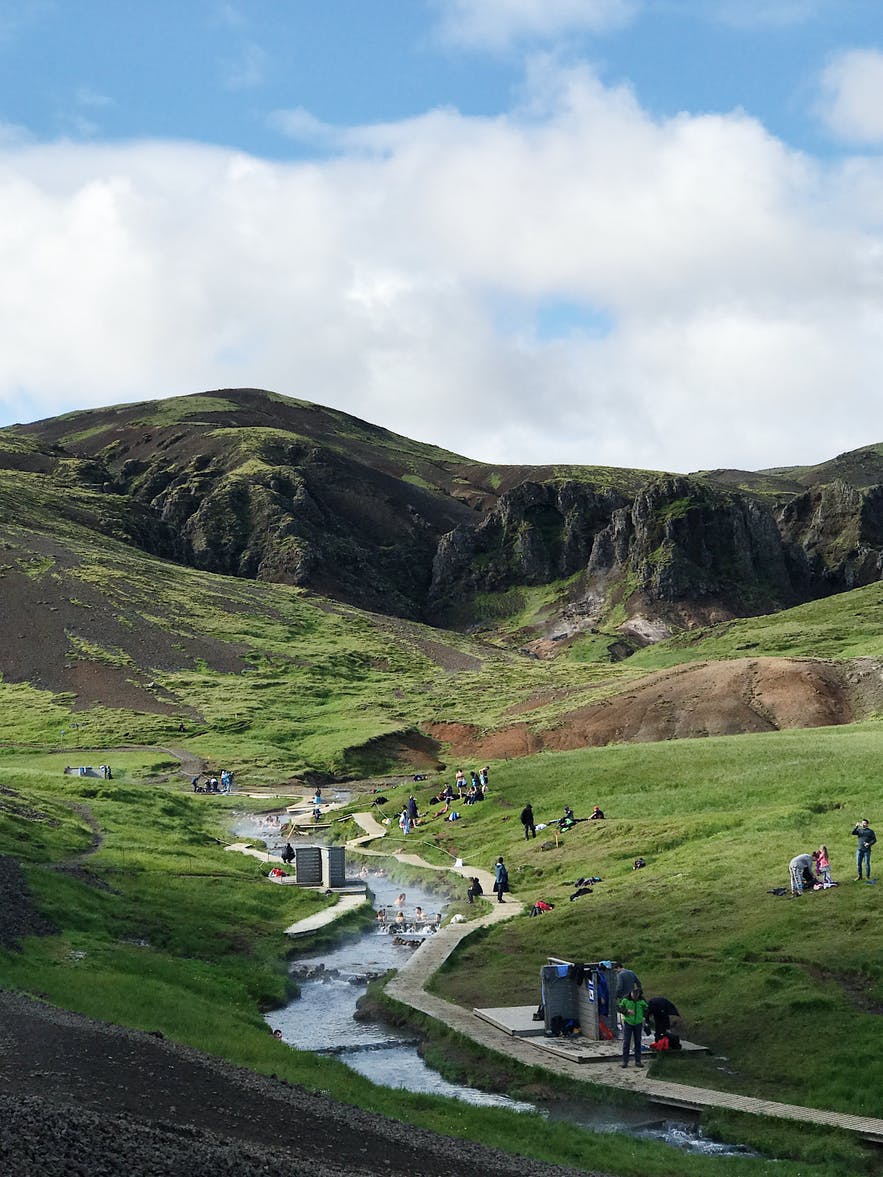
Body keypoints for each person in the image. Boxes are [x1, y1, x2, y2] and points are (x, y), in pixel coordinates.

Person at [619, 984, 649, 1068]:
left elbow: (647, 1009)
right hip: (628, 1022)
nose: (635, 997)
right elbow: (619, 1008)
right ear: (631, 993)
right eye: (633, 995)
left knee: (638, 1042)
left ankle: (638, 1061)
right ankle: (625, 1061)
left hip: (638, 1023)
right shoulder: (625, 999)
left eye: (637, 995)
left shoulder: (642, 1000)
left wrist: (644, 1016)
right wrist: (626, 1011)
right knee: (627, 1042)